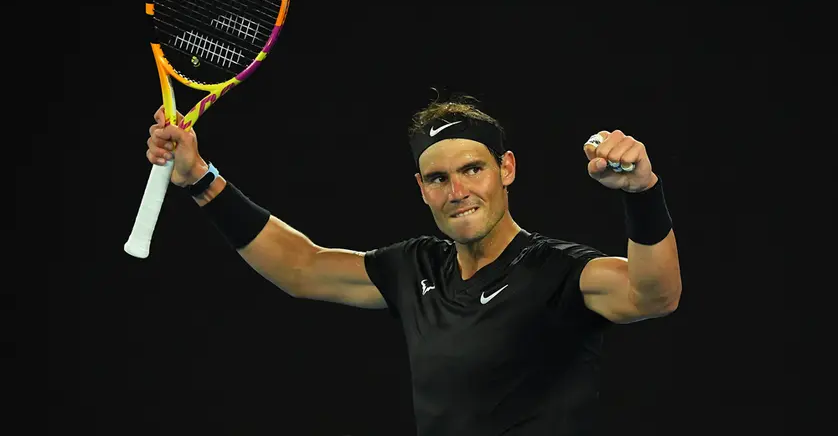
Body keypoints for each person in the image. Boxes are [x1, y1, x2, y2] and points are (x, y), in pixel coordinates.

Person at [145, 94, 682, 436]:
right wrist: (198, 178)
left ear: (507, 170)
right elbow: (301, 266)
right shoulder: (416, 268)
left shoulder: (561, 272)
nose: (458, 191)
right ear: (422, 190)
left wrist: (641, 192)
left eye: (473, 169)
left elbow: (653, 295)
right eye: (438, 178)